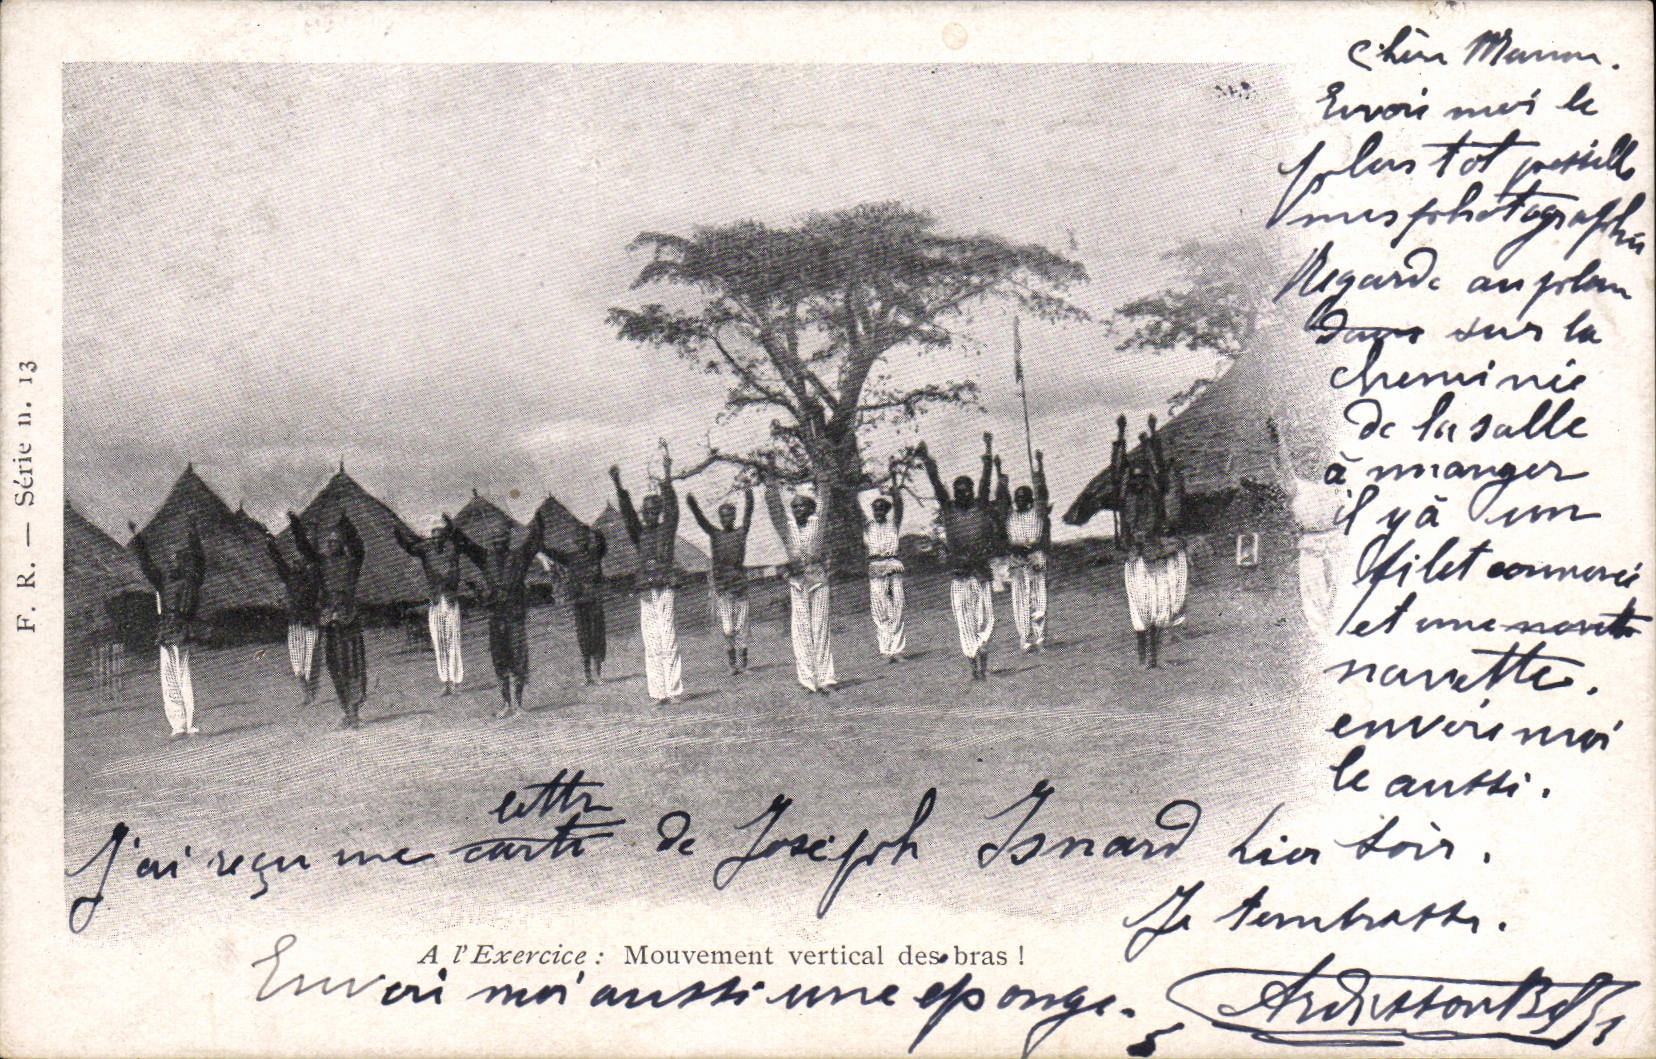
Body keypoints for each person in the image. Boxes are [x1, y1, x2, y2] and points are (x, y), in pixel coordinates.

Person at [919, 432, 999, 681]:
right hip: (959, 575)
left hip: (981, 573)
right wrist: (927, 460)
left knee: (985, 619)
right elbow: (936, 484)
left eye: (965, 490)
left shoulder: (981, 506)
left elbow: (986, 481)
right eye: (957, 490)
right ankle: (974, 665)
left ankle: (982, 653)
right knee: (964, 621)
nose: (961, 494)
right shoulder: (949, 509)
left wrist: (987, 449)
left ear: (972, 491)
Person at [1110, 415, 1187, 668]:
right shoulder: (1124, 497)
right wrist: (1121, 434)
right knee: (1139, 611)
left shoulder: (1154, 492)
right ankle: (1143, 657)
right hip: (1135, 557)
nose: (1139, 482)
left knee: (1158, 607)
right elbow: (1117, 468)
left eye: (1143, 479)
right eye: (1135, 479)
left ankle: (1153, 658)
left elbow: (1158, 468)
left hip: (1155, 554)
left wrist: (1153, 434)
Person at [453, 509, 546, 718]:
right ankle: (506, 703)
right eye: (495, 540)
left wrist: (537, 517)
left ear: (508, 540)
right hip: (497, 617)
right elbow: (467, 545)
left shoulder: (519, 557)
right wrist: (453, 528)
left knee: (519, 658)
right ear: (491, 542)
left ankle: (519, 704)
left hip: (514, 615)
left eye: (502, 539)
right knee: (500, 659)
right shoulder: (486, 558)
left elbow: (535, 540)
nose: (498, 544)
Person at [611, 444, 684, 705]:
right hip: (645, 590)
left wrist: (666, 474)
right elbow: (628, 513)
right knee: (651, 641)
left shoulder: (667, 529)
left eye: (655, 511)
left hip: (664, 587)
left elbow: (674, 506)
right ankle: (657, 692)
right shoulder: (638, 533)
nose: (650, 515)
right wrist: (618, 485)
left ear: (660, 512)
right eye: (647, 512)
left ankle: (674, 690)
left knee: (669, 637)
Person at [1269, 416, 1343, 644]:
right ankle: (1322, 639)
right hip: (1311, 547)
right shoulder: (1296, 487)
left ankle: (1342, 633)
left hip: (1337, 542)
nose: (1312, 463)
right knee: (1314, 593)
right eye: (1307, 460)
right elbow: (1284, 465)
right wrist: (1276, 437)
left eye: (1316, 459)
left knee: (1340, 590)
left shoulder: (1335, 484)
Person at [130, 519, 205, 740]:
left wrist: (193, 535)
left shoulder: (192, 580)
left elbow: (200, 560)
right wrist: (138, 541)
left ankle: (190, 724)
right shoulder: (164, 582)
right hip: (167, 632)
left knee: (184, 679)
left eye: (178, 561)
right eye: (174, 561)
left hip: (182, 631)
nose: (173, 564)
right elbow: (147, 565)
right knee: (170, 679)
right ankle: (178, 726)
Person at [765, 478, 836, 694]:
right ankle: (808, 680)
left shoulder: (818, 524)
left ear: (811, 508)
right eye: (794, 506)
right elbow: (774, 506)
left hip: (818, 580)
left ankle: (826, 679)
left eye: (802, 505)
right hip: (797, 583)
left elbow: (825, 498)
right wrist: (770, 480)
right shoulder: (787, 528)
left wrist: (823, 478)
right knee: (801, 630)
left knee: (820, 628)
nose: (798, 509)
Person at [393, 516, 468, 695]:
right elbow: (410, 547)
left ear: (445, 535)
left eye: (439, 533)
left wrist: (450, 523)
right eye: (433, 534)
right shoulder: (426, 551)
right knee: (439, 641)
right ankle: (446, 682)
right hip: (435, 601)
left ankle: (455, 681)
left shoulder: (453, 549)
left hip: (450, 600)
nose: (436, 537)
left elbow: (458, 537)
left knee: (453, 641)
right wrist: (397, 532)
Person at [687, 486, 753, 675]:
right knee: (728, 628)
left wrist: (748, 493)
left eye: (730, 515)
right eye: (723, 516)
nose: (727, 519)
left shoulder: (741, 533)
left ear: (734, 516)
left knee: (742, 627)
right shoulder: (715, 535)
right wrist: (693, 506)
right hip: (724, 589)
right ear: (720, 518)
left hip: (740, 587)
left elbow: (749, 512)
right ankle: (733, 665)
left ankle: (744, 665)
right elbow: (702, 521)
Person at [311, 513, 368, 728]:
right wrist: (308, 528)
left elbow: (359, 549)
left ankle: (353, 710)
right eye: (329, 542)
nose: (331, 545)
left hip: (348, 620)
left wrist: (347, 524)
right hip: (330, 622)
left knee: (351, 664)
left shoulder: (351, 563)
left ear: (343, 543)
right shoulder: (323, 566)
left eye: (336, 541)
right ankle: (347, 709)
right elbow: (309, 552)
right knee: (334, 665)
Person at [997, 449, 1052, 653]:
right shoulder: (1010, 516)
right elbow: (1001, 497)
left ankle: (1040, 639)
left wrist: (1039, 465)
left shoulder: (1037, 513)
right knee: (1020, 600)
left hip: (1035, 557)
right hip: (1017, 560)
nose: (1018, 501)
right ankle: (1025, 639)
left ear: (1029, 499)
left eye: (1023, 498)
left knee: (1039, 599)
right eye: (1016, 498)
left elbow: (1042, 492)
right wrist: (999, 470)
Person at [266, 513, 322, 707]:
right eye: (296, 561)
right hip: (297, 623)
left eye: (300, 561)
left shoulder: (314, 576)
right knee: (298, 663)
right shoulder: (292, 578)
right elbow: (278, 560)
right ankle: (308, 694)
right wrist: (270, 544)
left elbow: (308, 551)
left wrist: (299, 527)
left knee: (309, 662)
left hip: (308, 623)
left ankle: (310, 694)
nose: (297, 563)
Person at [543, 523, 608, 684]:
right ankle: (588, 676)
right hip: (580, 603)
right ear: (574, 541)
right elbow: (549, 551)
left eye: (584, 537)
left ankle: (598, 674)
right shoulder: (569, 558)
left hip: (594, 601)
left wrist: (592, 526)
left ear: (588, 539)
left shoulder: (595, 553)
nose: (581, 541)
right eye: (578, 538)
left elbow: (602, 543)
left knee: (597, 636)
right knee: (584, 638)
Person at [859, 460, 907, 663]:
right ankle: (886, 649)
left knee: (897, 606)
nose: (878, 512)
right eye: (875, 509)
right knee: (879, 609)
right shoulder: (867, 526)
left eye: (881, 509)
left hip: (893, 564)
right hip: (876, 566)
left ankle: (897, 649)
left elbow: (899, 503)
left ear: (886, 511)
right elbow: (855, 507)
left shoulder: (893, 524)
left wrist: (892, 482)